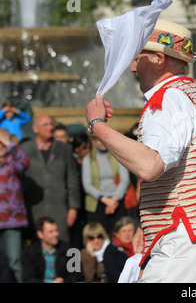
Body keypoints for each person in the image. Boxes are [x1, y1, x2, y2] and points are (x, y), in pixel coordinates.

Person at [86, 19, 196, 283]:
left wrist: (97, 125)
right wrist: (148, 223)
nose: (132, 67)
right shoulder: (192, 95)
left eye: (137, 58)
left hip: (193, 242)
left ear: (158, 59)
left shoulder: (169, 97)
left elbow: (151, 165)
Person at [20, 114, 80, 243]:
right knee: (34, 247)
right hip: (33, 208)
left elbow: (72, 180)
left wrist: (73, 208)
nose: (50, 127)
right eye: (45, 125)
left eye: (51, 124)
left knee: (63, 246)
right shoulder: (25, 149)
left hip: (59, 209)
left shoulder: (64, 149)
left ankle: (68, 264)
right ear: (35, 129)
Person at [82, 135, 129, 235]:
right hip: (97, 202)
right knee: (98, 236)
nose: (101, 142)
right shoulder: (88, 159)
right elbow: (87, 185)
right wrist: (106, 200)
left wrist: (114, 200)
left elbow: (124, 180)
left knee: (118, 235)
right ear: (93, 141)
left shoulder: (117, 155)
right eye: (97, 140)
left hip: (116, 201)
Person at [0, 127, 30, 282]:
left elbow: (25, 161)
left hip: (12, 220)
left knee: (14, 262)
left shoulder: (12, 161)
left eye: (2, 142)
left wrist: (7, 141)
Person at [22, 216, 82, 283]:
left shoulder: (71, 250)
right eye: (51, 232)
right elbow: (28, 278)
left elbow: (77, 275)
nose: (56, 234)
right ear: (40, 234)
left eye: (56, 230)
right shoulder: (31, 252)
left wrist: (63, 281)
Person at [103, 216, 135, 283]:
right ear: (117, 233)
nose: (127, 234)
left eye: (130, 230)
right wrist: (136, 275)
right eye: (124, 231)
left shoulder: (140, 247)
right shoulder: (111, 250)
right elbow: (113, 275)